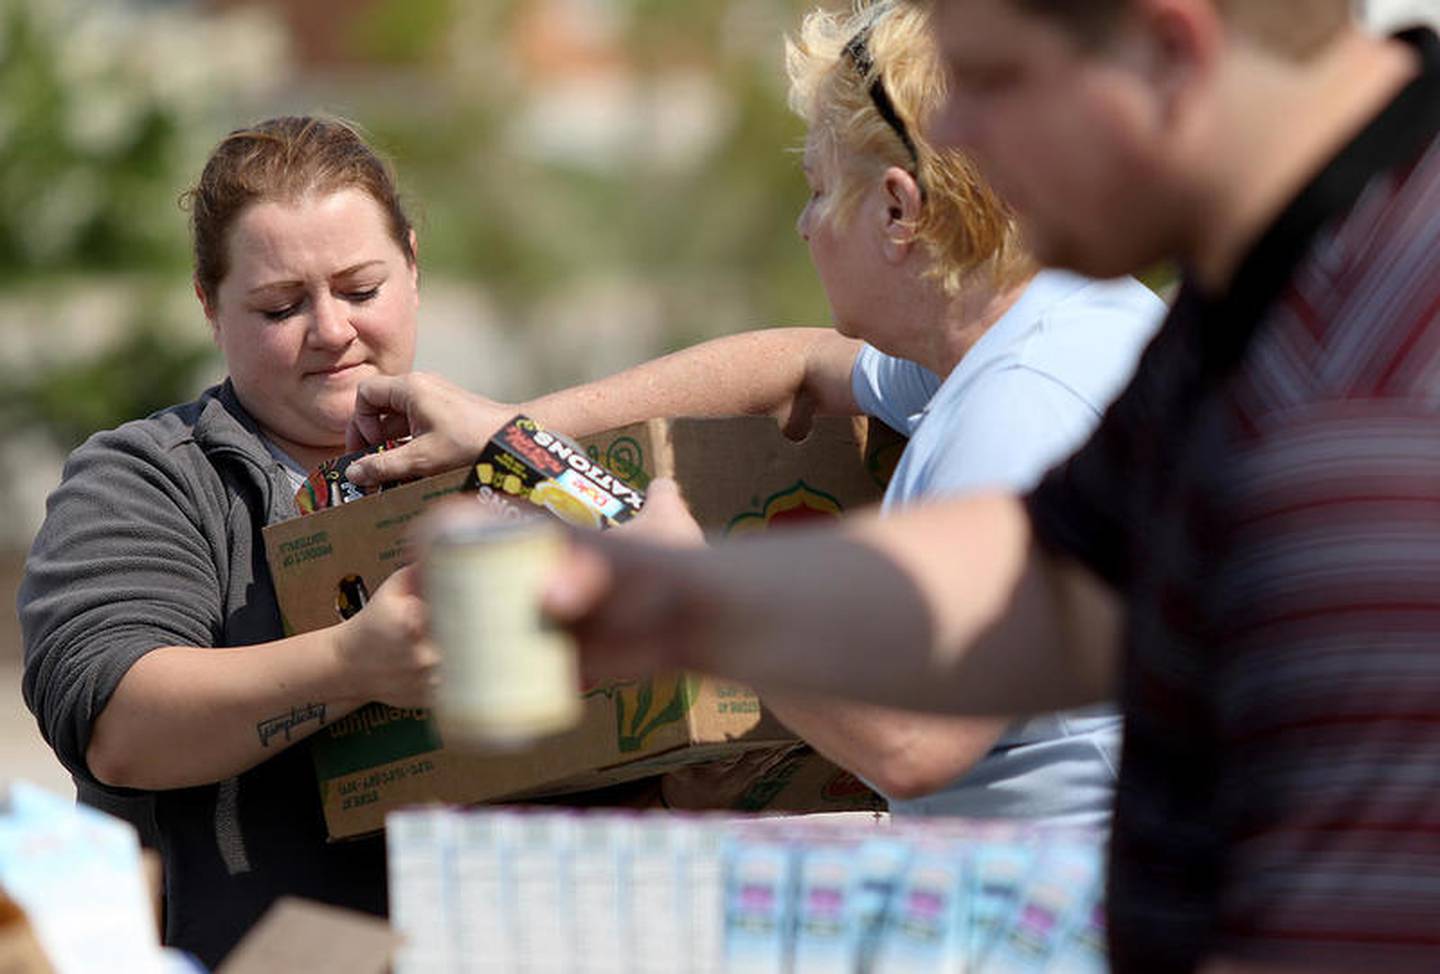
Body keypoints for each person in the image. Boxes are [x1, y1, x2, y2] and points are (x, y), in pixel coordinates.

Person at [537, 1, 1440, 971]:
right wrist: (686, 595)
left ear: (1169, 52)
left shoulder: (1361, 424)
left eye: (996, 80)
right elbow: (1049, 585)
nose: (954, 136)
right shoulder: (1272, 284)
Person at [346, 2, 1163, 823]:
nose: (805, 227)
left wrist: (693, 597)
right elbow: (795, 365)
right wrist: (512, 431)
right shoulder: (1047, 326)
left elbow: (912, 742)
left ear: (897, 212)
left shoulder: (1019, 406)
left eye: (816, 189)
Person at [19, 116, 438, 968]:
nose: (331, 331)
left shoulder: (509, 462)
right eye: (282, 306)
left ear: (415, 268)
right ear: (210, 307)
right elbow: (118, 724)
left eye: (361, 290)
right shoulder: (142, 480)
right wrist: (356, 662)